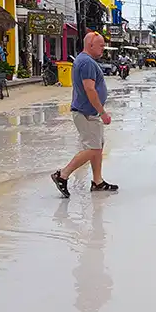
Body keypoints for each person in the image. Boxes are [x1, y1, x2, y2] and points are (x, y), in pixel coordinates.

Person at [51, 32, 118, 197]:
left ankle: (97, 181)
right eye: (101, 45)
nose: (103, 48)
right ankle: (63, 174)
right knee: (93, 148)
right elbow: (90, 89)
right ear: (90, 45)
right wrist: (102, 112)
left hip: (89, 113)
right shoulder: (87, 63)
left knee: (97, 147)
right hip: (87, 113)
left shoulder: (84, 60)